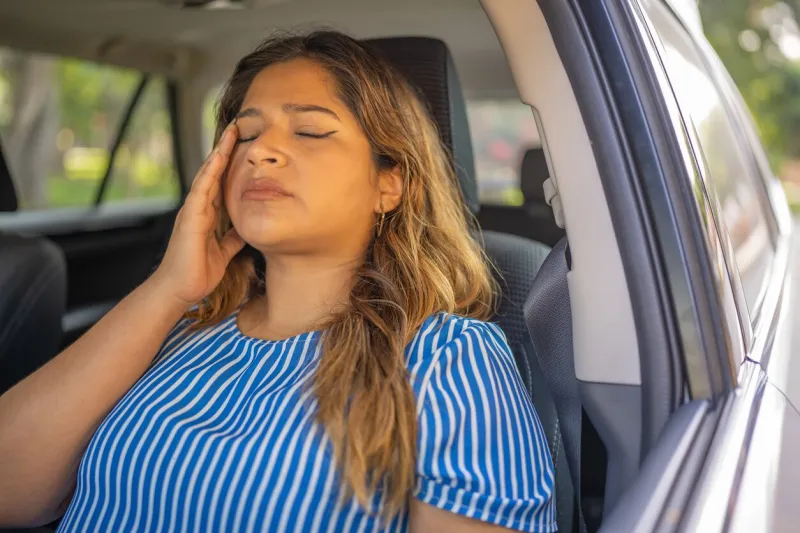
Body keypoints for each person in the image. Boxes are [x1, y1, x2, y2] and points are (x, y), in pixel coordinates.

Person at [0, 31, 555, 533]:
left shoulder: (447, 359)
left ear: (390, 184)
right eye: (244, 135)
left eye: (311, 130)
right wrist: (167, 289)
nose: (261, 151)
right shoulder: (179, 329)